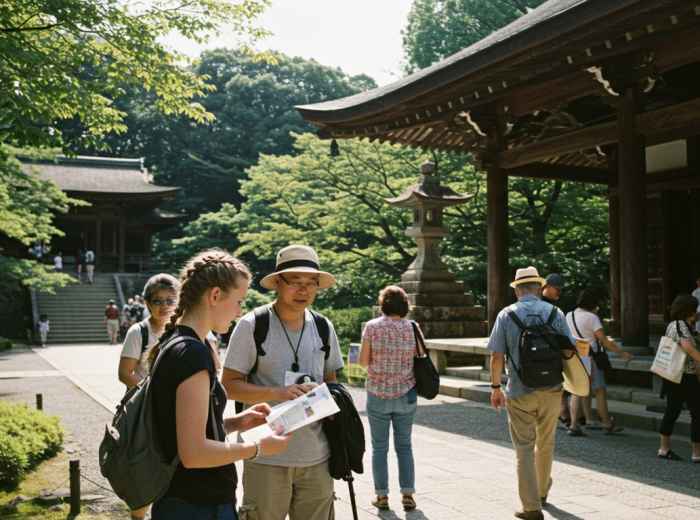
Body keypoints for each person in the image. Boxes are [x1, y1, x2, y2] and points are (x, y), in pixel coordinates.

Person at [147, 249, 290, 520]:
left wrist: (235, 423)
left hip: (179, 498)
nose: (239, 311)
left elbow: (181, 431)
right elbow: (194, 453)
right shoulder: (192, 353)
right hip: (196, 503)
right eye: (238, 301)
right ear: (214, 295)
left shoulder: (176, 342)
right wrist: (259, 448)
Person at [222, 244, 344, 520]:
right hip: (266, 455)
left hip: (317, 455)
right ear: (277, 282)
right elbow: (228, 386)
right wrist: (279, 392)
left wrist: (323, 393)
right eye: (295, 282)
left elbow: (332, 384)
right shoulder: (253, 325)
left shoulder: (323, 327)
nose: (304, 290)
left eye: (311, 283)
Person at [488, 266, 575, 520]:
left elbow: (496, 355)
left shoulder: (507, 315)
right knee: (546, 442)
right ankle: (543, 491)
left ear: (517, 290)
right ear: (538, 288)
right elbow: (568, 350)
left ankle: (531, 507)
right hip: (551, 390)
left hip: (519, 390)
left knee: (524, 448)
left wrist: (495, 387)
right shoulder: (555, 312)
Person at [118, 274, 179, 519]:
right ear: (146, 303)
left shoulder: (184, 330)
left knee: (173, 475)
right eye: (157, 301)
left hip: (177, 413)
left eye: (169, 300)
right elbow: (125, 373)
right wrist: (153, 394)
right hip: (144, 414)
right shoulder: (138, 332)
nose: (164, 306)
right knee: (143, 474)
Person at [359, 285, 418, 512]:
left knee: (379, 448)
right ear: (404, 305)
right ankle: (408, 495)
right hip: (405, 393)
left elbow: (363, 361)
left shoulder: (372, 327)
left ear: (383, 304)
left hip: (377, 394)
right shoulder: (412, 328)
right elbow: (417, 359)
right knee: (404, 446)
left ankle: (382, 497)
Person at [566, 289, 633, 436]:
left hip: (576, 357)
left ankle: (575, 424)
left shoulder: (569, 315)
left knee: (578, 391)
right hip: (591, 358)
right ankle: (607, 423)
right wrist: (622, 353)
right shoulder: (592, 318)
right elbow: (604, 340)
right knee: (599, 391)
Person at [657, 294, 700, 462]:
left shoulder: (677, 325)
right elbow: (688, 348)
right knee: (697, 413)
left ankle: (664, 448)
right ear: (689, 310)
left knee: (672, 411)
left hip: (673, 375)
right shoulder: (680, 326)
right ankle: (696, 453)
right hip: (684, 376)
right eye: (695, 309)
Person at [541, 273, 572, 429]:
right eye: (556, 288)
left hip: (552, 354)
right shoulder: (542, 305)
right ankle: (560, 413)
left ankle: (562, 412)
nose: (559, 292)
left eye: (560, 289)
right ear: (545, 286)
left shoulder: (558, 307)